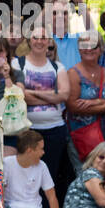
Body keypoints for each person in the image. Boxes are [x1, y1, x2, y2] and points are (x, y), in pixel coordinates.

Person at [16, 21, 71, 197]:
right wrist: (50, 95)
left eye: (44, 38)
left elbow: (64, 95)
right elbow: (20, 96)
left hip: (55, 130)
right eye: (35, 37)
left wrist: (31, 92)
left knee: (50, 178)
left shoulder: (57, 67)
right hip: (27, 130)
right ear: (29, 41)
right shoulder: (18, 64)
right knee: (26, 177)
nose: (39, 41)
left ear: (49, 42)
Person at [64, 30, 105, 171]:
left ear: (101, 49)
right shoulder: (73, 74)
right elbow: (72, 106)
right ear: (79, 50)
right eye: (84, 45)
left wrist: (93, 103)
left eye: (94, 45)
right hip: (82, 137)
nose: (89, 49)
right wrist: (103, 106)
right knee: (85, 177)